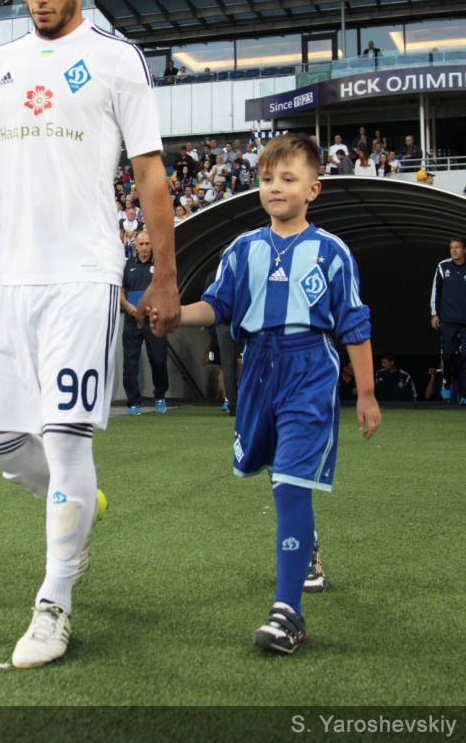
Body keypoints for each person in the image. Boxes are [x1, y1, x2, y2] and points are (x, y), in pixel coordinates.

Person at [0, 0, 179, 669]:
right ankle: (77, 501)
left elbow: (149, 172)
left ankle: (55, 602)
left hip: (83, 274)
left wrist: (165, 274)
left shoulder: (116, 60)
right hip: (10, 278)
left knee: (67, 436)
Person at [150, 134, 380, 655]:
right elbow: (218, 306)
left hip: (309, 368)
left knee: (291, 483)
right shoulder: (243, 249)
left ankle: (287, 612)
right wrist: (176, 316)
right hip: (256, 366)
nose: (275, 187)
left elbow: (355, 325)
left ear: (313, 189)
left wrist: (366, 394)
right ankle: (308, 548)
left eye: (288, 178)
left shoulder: (331, 251)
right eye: (267, 178)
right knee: (278, 471)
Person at [120, 231, 169, 416]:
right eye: (141, 244)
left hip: (154, 320)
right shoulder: (127, 266)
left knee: (159, 360)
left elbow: (167, 290)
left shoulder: (160, 265)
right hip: (132, 320)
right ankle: (133, 402)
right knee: (130, 363)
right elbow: (120, 290)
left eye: (148, 244)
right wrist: (127, 306)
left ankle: (160, 395)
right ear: (135, 246)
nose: (144, 248)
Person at [430, 238, 466, 403]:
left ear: (464, 250)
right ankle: (446, 382)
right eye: (452, 248)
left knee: (465, 356)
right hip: (448, 319)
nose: (454, 250)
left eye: (457, 247)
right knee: (448, 354)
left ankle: (464, 394)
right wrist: (435, 313)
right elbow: (435, 291)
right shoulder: (443, 266)